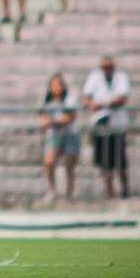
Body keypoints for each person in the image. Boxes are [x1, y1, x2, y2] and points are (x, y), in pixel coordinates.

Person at [82, 56, 131, 199]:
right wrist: (92, 105)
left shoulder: (120, 77)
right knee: (105, 161)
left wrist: (102, 104)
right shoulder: (94, 77)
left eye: (109, 67)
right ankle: (110, 192)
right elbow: (86, 97)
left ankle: (125, 190)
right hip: (100, 123)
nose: (107, 70)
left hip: (117, 124)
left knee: (121, 161)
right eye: (104, 67)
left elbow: (122, 98)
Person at [39, 72, 80, 202]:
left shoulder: (69, 99)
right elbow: (42, 119)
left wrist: (52, 122)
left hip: (70, 134)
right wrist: (51, 122)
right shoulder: (46, 101)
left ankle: (70, 192)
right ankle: (51, 190)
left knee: (70, 165)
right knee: (49, 162)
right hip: (54, 135)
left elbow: (69, 117)